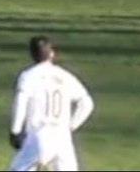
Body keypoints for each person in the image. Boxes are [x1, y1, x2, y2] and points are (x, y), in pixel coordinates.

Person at [8, 36, 95, 172]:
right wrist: (70, 126)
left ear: (32, 54)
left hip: (39, 134)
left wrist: (15, 131)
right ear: (51, 54)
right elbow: (87, 103)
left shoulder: (29, 76)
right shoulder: (65, 76)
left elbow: (21, 101)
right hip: (63, 137)